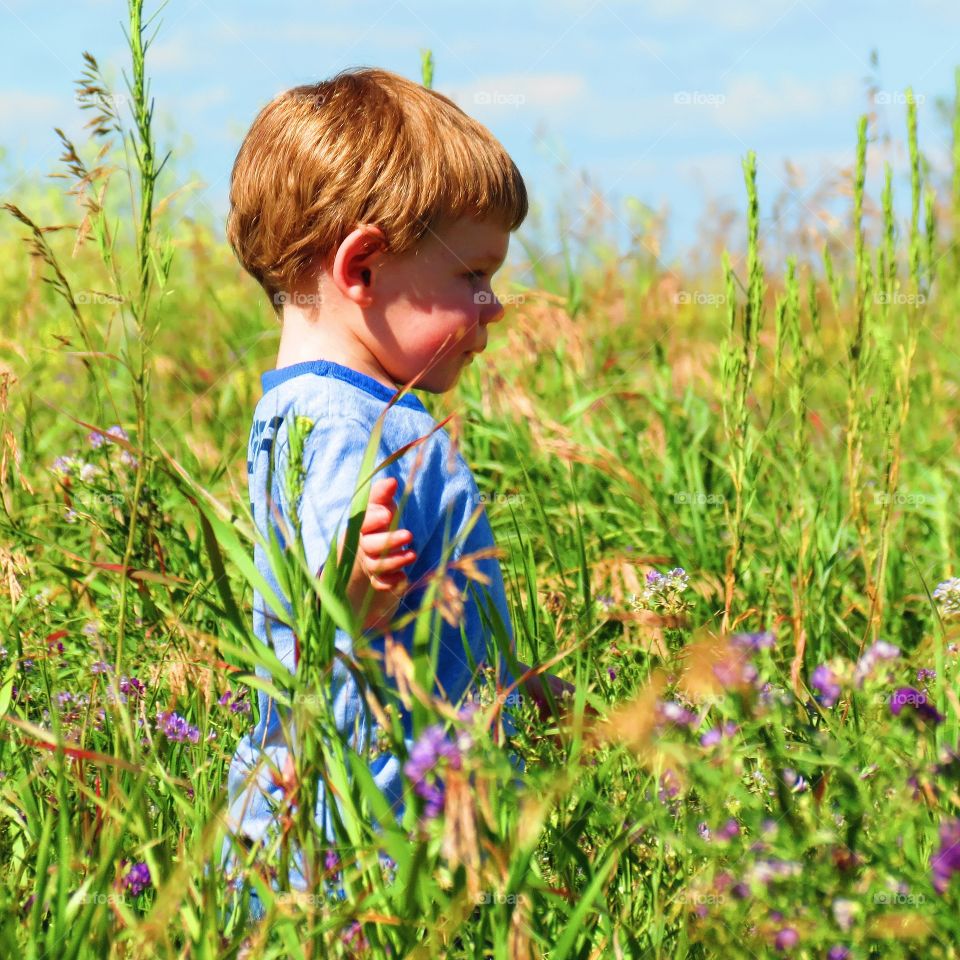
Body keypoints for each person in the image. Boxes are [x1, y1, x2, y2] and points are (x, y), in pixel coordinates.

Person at [218, 66, 577, 922]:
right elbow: (324, 607)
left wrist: (520, 683)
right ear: (365, 267)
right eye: (473, 276)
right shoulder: (346, 428)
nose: (493, 307)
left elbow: (427, 612)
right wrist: (351, 577)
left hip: (357, 819)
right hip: (364, 835)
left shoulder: (324, 409)